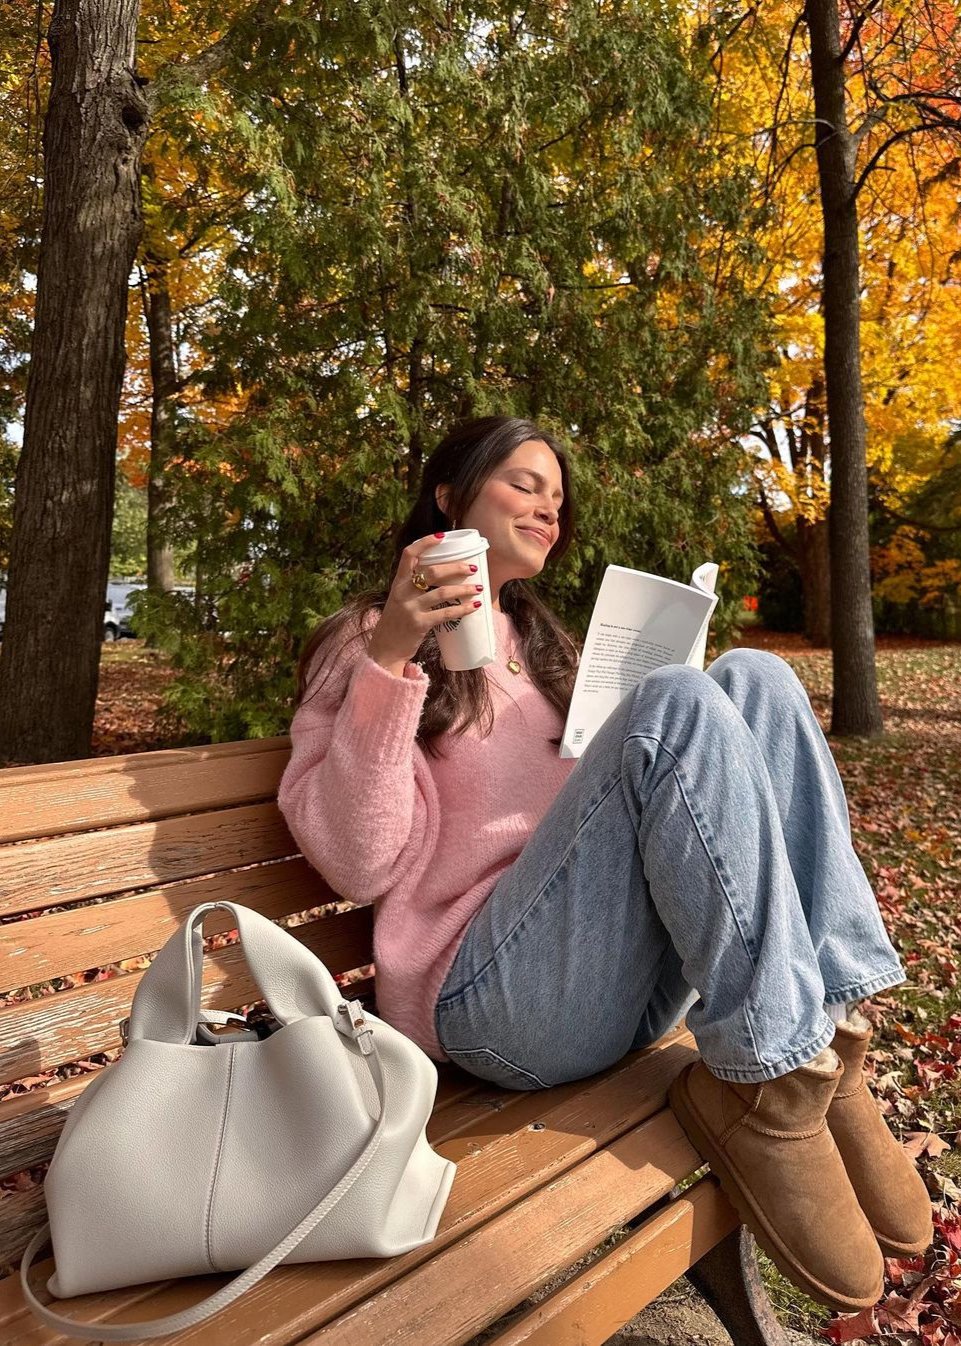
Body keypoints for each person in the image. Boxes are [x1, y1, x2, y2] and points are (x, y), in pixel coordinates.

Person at [278, 413, 932, 1314]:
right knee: (677, 702)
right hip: (488, 1004)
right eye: (522, 483)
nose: (548, 506)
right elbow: (359, 862)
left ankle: (825, 1036)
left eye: (557, 494)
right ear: (447, 496)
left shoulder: (545, 647)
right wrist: (392, 656)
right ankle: (772, 1083)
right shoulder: (365, 641)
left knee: (758, 679)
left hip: (605, 983)